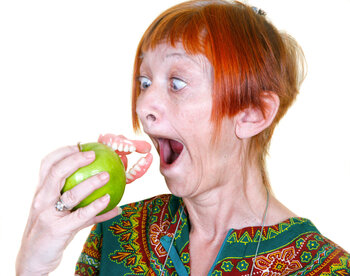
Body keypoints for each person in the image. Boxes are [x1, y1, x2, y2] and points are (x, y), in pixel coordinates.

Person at [16, 0, 350, 275]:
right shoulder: (117, 232)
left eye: (177, 83)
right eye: (144, 82)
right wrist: (32, 265)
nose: (144, 105)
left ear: (252, 114)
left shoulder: (327, 269)